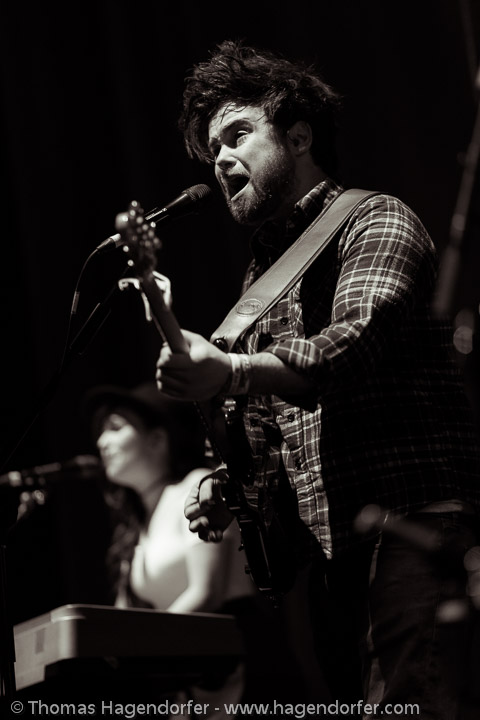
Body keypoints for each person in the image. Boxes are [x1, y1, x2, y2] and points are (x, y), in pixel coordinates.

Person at [154, 40, 480, 718]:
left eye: (237, 134)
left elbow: (351, 344)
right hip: (330, 569)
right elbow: (273, 430)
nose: (220, 161)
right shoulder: (261, 279)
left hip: (414, 534)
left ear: (299, 137)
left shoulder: (374, 217)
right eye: (212, 150)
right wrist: (231, 490)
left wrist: (232, 370)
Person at [87, 382, 253, 713]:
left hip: (238, 666)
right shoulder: (136, 526)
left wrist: (137, 648)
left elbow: (207, 593)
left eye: (115, 428)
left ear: (157, 440)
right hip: (188, 675)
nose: (101, 443)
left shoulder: (195, 487)